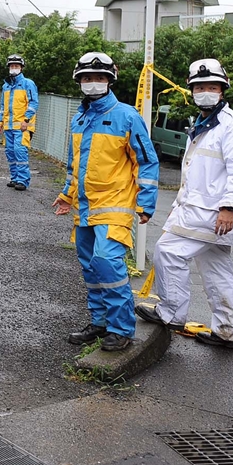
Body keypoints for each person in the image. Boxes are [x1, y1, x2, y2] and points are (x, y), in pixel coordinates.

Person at [136, 59, 233, 352]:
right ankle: (229, 330)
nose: (205, 92)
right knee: (216, 266)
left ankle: (171, 313)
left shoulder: (232, 127)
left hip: (213, 213)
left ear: (222, 90)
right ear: (191, 90)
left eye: (211, 87)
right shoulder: (205, 124)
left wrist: (230, 207)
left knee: (168, 251)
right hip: (207, 211)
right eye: (199, 87)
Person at [53, 52, 159, 352]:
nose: (93, 83)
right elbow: (76, 165)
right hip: (85, 209)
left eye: (99, 78)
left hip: (115, 206)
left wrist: (146, 203)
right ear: (79, 81)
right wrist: (66, 195)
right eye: (87, 78)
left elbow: (147, 162)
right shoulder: (80, 118)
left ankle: (121, 329)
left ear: (110, 80)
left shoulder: (127, 116)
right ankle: (100, 323)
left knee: (108, 263)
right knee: (91, 267)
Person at [0, 53, 38, 190]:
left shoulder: (28, 84)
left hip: (22, 126)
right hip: (8, 125)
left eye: (16, 66)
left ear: (21, 67)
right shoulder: (6, 86)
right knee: (10, 152)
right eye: (12, 66)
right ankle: (14, 178)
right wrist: (0, 121)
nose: (14, 68)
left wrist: (26, 120)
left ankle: (23, 181)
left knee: (20, 151)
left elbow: (33, 103)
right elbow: (3, 106)